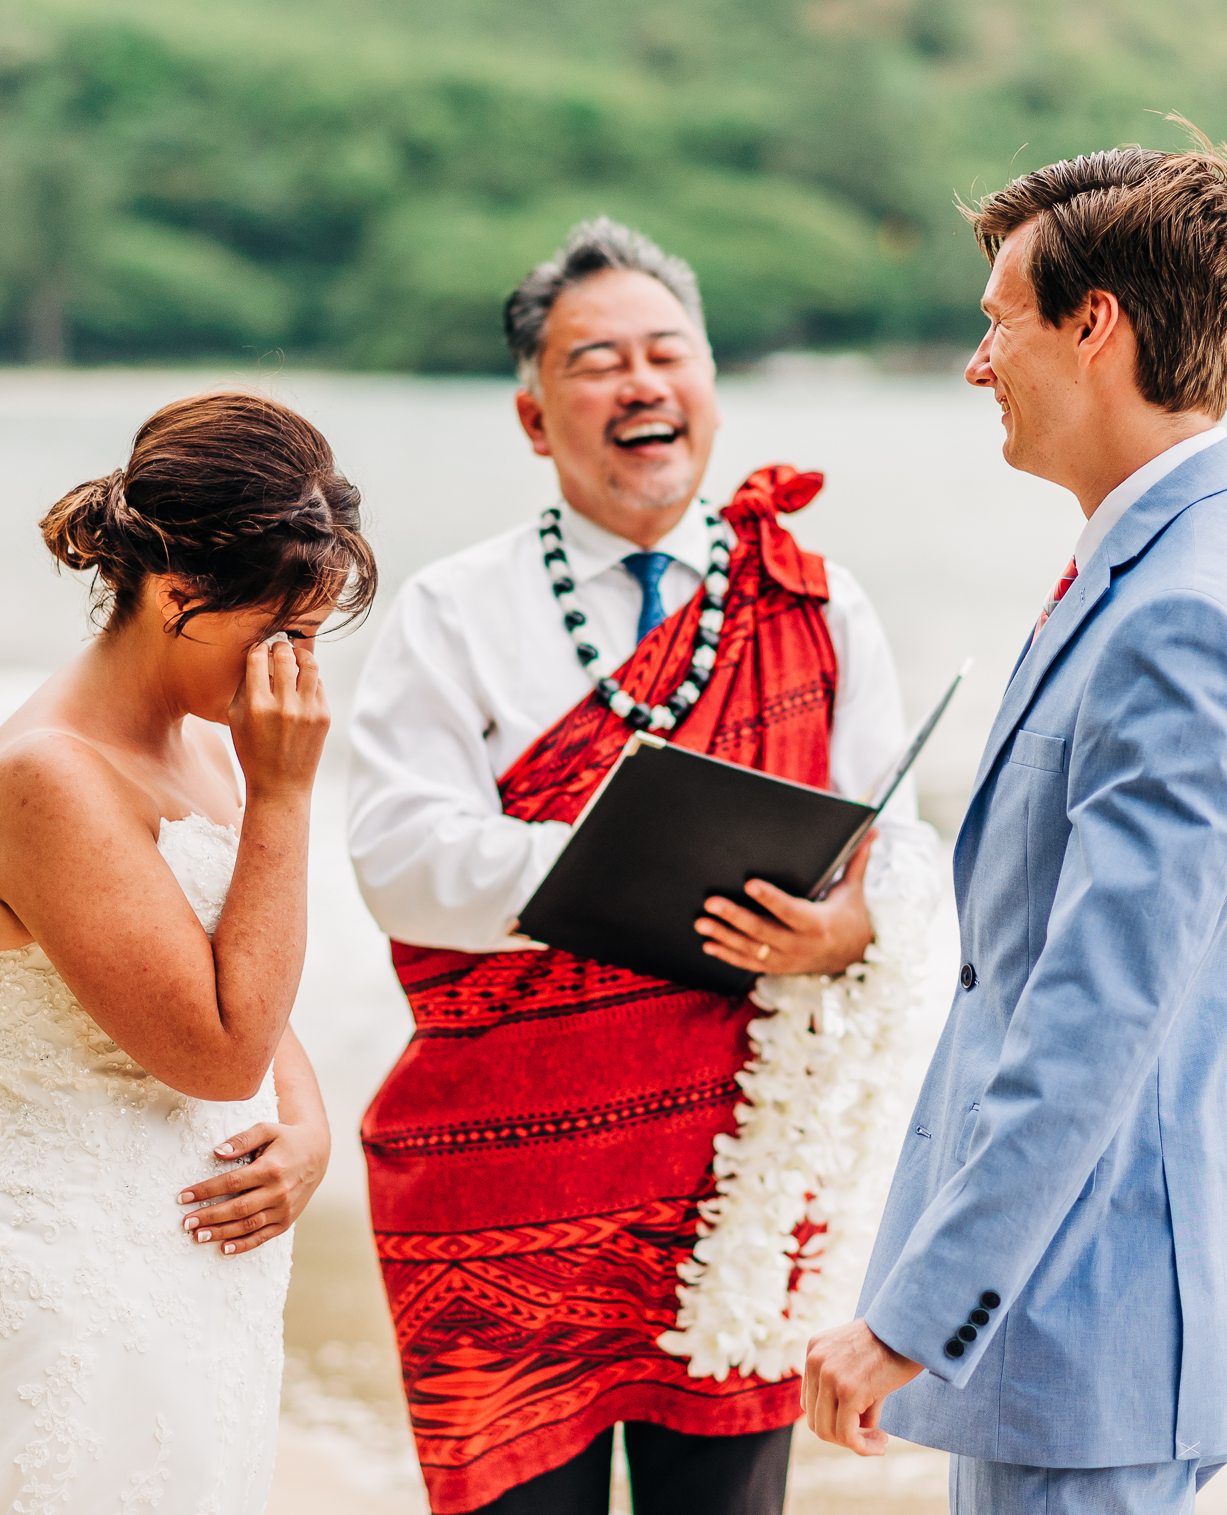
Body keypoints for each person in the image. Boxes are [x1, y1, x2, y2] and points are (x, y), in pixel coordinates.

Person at [349, 218, 947, 1514]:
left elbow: (896, 852)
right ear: (532, 415)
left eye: (667, 353)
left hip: (732, 1180)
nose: (639, 384)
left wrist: (848, 931)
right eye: (596, 360)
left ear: (711, 387)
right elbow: (398, 859)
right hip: (501, 1183)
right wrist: (627, 866)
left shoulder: (818, 600)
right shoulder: (455, 609)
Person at [800, 131, 1227, 1514]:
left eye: (999, 324)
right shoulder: (1189, 556)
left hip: (1096, 1317)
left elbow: (1101, 1010)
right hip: (1096, 1311)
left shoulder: (1186, 612)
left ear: (1095, 326)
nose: (981, 367)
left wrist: (914, 1312)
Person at [0, 391, 375, 1515]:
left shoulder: (201, 750)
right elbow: (219, 1056)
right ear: (177, 594)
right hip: (75, 1295)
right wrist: (286, 797)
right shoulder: (51, 779)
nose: (298, 677)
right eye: (282, 634)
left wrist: (311, 1126)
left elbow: (240, 987)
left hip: (195, 1291)